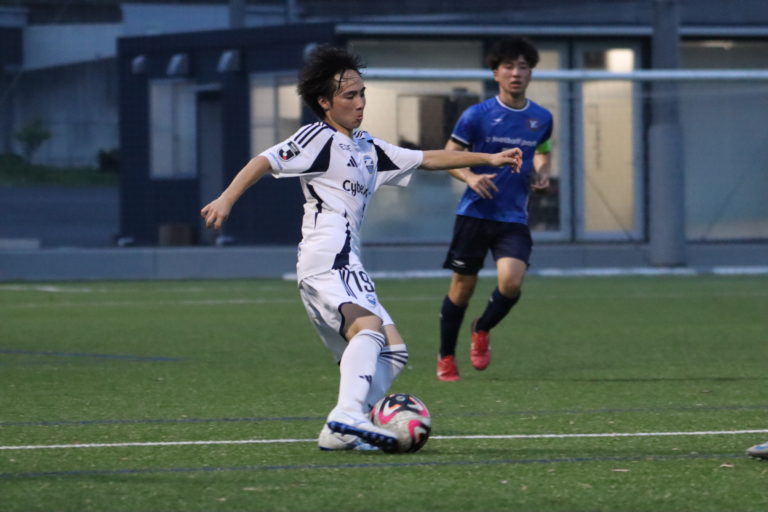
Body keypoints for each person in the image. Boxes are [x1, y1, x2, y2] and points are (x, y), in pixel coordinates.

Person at [201, 45, 522, 450]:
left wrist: (489, 158)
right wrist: (226, 199)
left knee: (394, 350)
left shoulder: (368, 147)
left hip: (344, 260)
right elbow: (264, 160)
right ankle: (349, 413)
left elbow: (426, 158)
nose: (360, 103)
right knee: (368, 329)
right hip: (327, 255)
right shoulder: (317, 137)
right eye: (349, 96)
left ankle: (339, 432)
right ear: (324, 102)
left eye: (362, 93)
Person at [436, 36, 553, 381]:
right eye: (508, 67)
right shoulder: (476, 115)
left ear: (530, 73)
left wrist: (543, 170)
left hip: (513, 217)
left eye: (523, 67)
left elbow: (542, 149)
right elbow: (448, 156)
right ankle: (446, 356)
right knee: (462, 288)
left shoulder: (541, 118)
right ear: (496, 73)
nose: (516, 73)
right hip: (474, 214)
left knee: (511, 283)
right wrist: (470, 176)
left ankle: (482, 327)